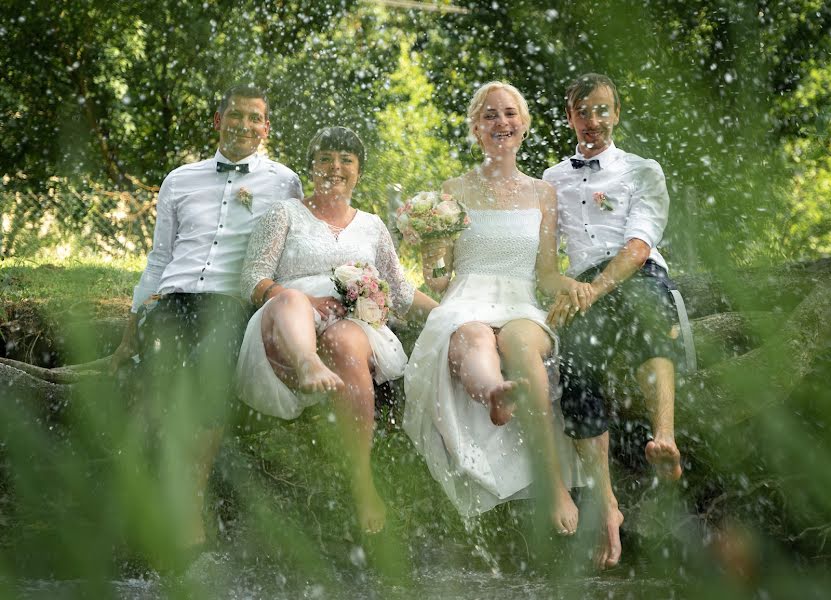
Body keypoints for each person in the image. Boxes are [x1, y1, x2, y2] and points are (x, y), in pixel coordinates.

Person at [110, 83, 302, 557]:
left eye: (254, 118)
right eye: (235, 115)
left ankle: (189, 507)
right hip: (173, 298)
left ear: (266, 127)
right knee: (153, 378)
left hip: (232, 303)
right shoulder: (179, 179)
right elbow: (159, 259)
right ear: (218, 121)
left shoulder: (284, 183)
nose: (244, 125)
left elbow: (291, 255)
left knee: (206, 369)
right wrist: (134, 321)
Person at [403, 82, 588, 531]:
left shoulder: (543, 193)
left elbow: (545, 273)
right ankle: (494, 394)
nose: (500, 123)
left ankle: (554, 484)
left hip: (520, 299)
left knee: (521, 345)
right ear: (475, 127)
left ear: (523, 125)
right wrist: (430, 251)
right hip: (467, 296)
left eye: (509, 114)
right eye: (490, 115)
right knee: (471, 336)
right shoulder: (453, 189)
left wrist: (579, 286)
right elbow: (441, 279)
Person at [235, 126, 437, 534]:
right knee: (290, 299)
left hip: (350, 326)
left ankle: (362, 483)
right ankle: (308, 365)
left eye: (346, 160)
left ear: (359, 172)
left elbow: (398, 293)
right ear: (311, 167)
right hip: (287, 328)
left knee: (344, 338)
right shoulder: (285, 213)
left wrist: (450, 315)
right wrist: (302, 300)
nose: (335, 167)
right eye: (326, 158)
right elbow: (252, 278)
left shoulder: (373, 226)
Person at [543, 73, 685, 570]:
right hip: (581, 284)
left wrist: (592, 290)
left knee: (650, 310)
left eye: (602, 110)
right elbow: (543, 254)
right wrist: (566, 290)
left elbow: (640, 244)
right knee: (575, 363)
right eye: (583, 112)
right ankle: (605, 506)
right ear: (570, 118)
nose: (593, 121)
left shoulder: (643, 170)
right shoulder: (552, 178)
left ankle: (663, 435)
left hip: (634, 273)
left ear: (617, 114)